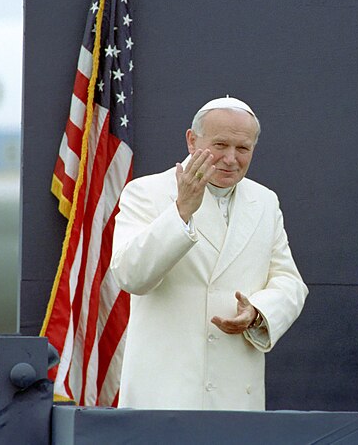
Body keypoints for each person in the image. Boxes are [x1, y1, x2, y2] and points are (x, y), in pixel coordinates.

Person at [111, 96, 308, 410]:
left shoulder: (265, 201)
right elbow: (130, 276)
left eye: (243, 149)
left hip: (235, 397)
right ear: (192, 140)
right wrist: (181, 213)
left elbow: (289, 282)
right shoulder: (147, 192)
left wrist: (257, 312)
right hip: (164, 395)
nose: (230, 159)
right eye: (220, 145)